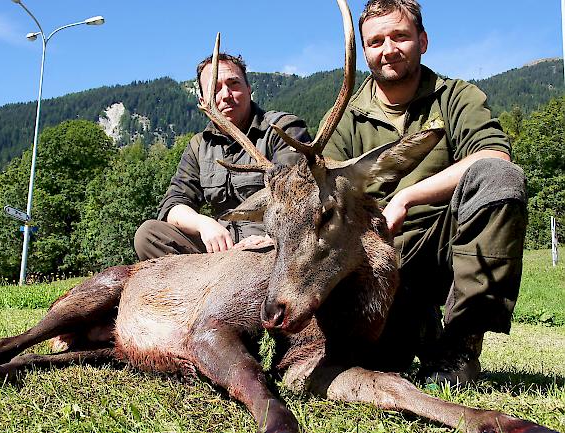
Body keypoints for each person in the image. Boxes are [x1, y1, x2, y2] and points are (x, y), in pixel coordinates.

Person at [323, 0, 527, 385]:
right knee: (381, 362)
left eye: (400, 36)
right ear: (364, 50)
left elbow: (493, 154)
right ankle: (417, 322)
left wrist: (406, 197)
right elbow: (325, 196)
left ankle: (461, 345)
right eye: (376, 41)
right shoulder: (344, 117)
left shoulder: (456, 97)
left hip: (446, 246)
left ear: (423, 40)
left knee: (500, 178)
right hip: (377, 259)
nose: (388, 49)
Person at [134, 53, 312, 260]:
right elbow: (173, 205)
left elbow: (299, 197)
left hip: (272, 244)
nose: (225, 94)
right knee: (149, 235)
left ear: (249, 89)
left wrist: (272, 236)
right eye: (214, 89)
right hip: (222, 250)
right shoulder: (199, 145)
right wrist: (204, 224)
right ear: (203, 100)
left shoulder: (282, 128)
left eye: (233, 84)